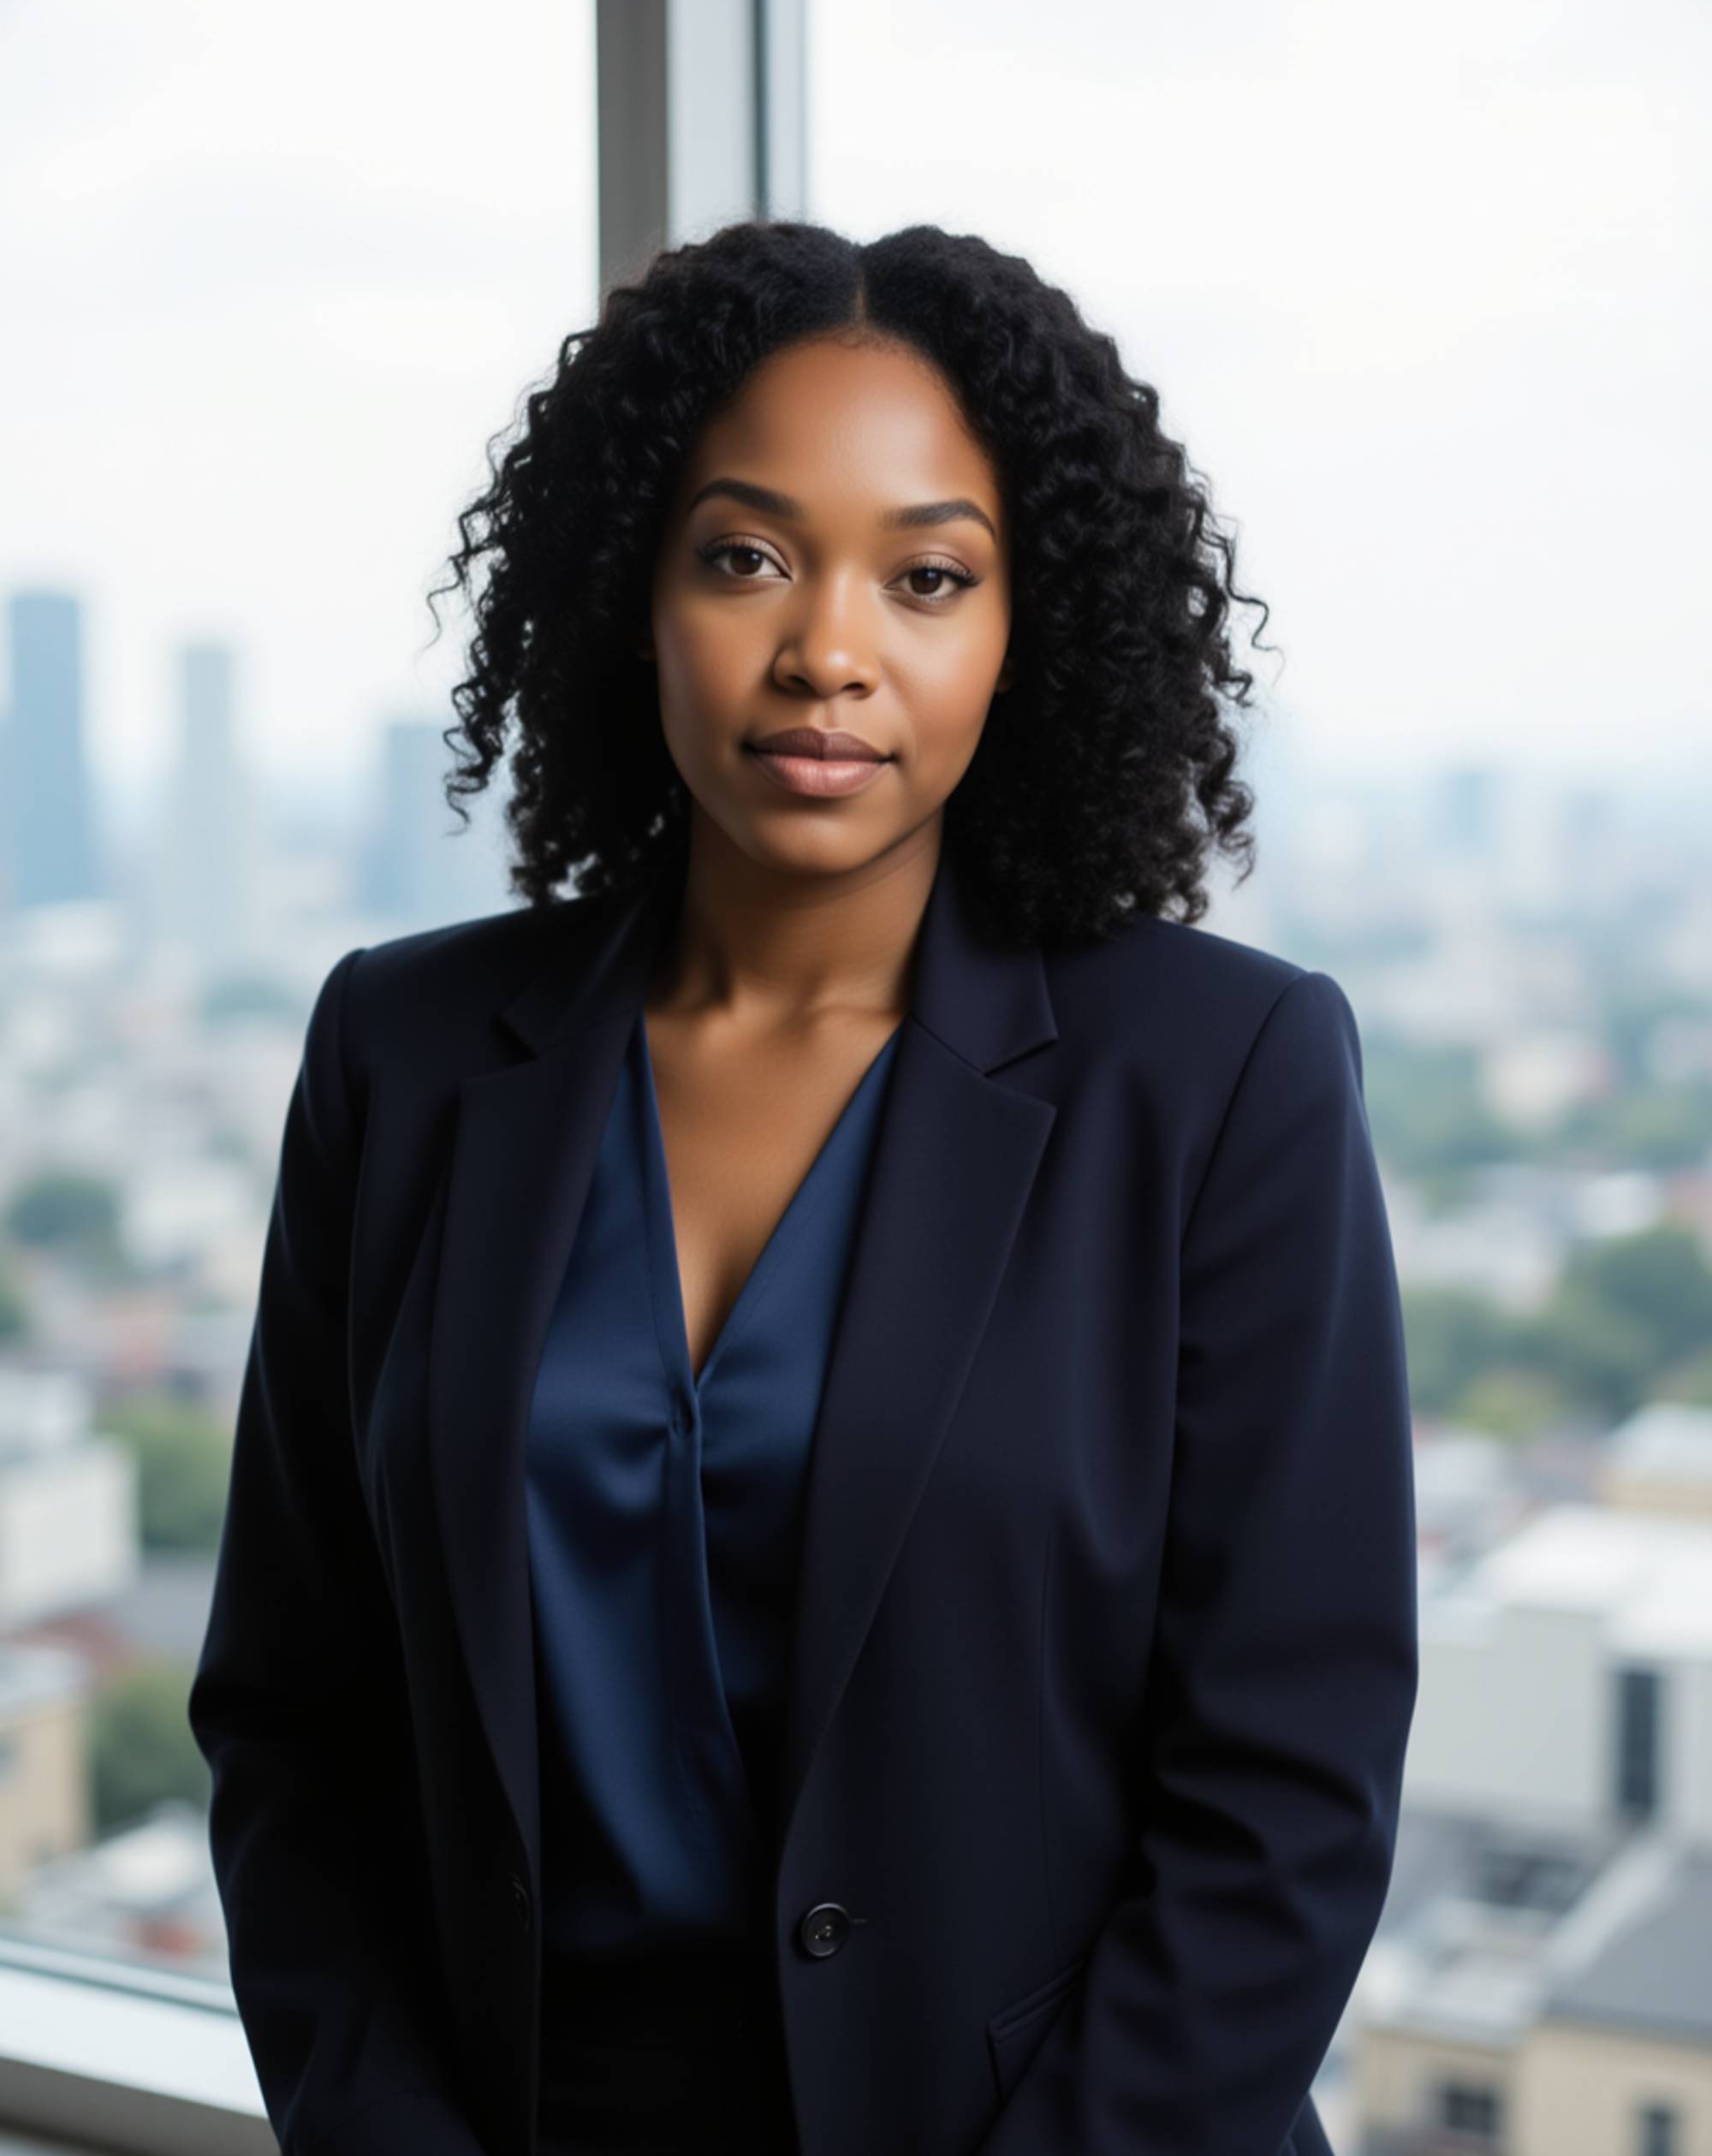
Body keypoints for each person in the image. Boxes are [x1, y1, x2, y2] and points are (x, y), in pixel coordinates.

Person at [188, 218, 1418, 2156]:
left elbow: (1286, 1798)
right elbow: (294, 1716)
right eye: (745, 555)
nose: (826, 649)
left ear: (1025, 627)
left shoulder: (1221, 1077)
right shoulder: (401, 1053)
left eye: (927, 576)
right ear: (632, 587)